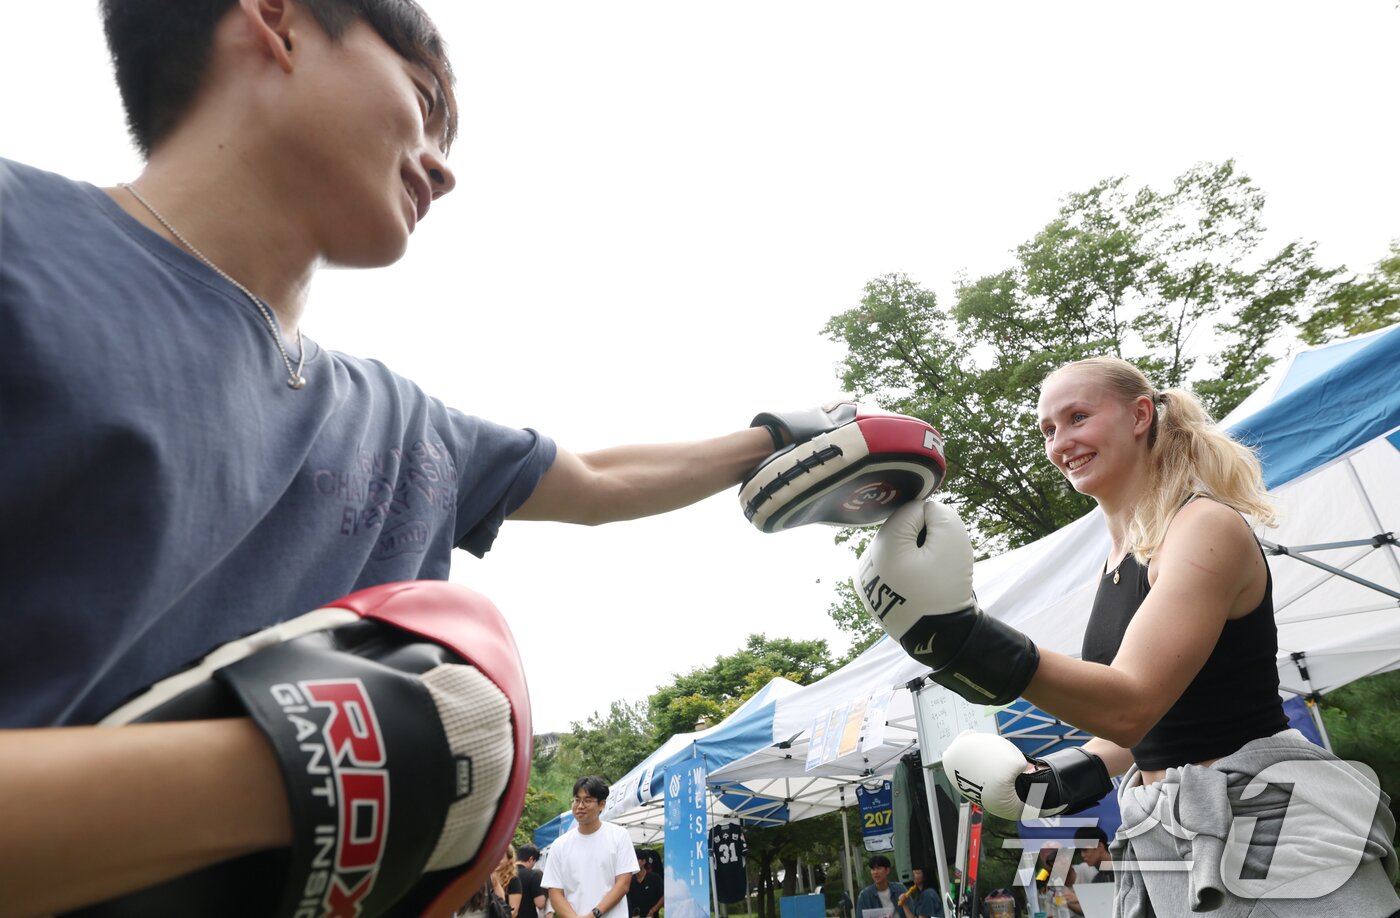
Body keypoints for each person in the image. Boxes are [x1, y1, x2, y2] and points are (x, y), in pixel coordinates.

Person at [0, 1, 854, 914]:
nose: (445, 170)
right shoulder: (20, 238)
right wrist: (308, 769)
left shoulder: (406, 424)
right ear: (277, 20)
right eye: (421, 98)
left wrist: (788, 438)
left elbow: (601, 481)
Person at [860, 355, 1400, 916]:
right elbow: (1159, 722)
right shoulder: (1118, 558)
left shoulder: (1202, 526)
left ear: (1140, 415)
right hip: (1165, 828)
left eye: (1077, 417)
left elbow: (1132, 703)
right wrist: (1055, 779)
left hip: (1265, 822)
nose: (1061, 440)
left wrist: (958, 639)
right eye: (1048, 429)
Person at [540, 777, 638, 918]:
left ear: (602, 805)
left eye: (587, 800)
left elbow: (623, 884)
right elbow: (555, 892)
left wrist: (594, 914)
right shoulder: (559, 845)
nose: (580, 806)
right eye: (577, 800)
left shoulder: (619, 836)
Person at [626, 848, 664, 918]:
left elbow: (664, 896)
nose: (633, 862)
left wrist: (653, 910)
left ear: (644, 861)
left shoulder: (654, 878)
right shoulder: (629, 880)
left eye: (636, 860)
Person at [519, 844, 549, 918]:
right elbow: (540, 903)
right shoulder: (532, 875)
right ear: (531, 859)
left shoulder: (506, 873)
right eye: (534, 862)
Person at [496, 845, 525, 918]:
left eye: (501, 857)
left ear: (509, 860)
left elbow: (514, 911)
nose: (497, 860)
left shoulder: (513, 880)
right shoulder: (486, 878)